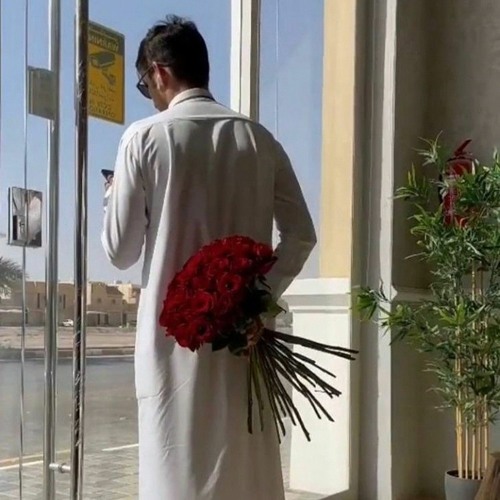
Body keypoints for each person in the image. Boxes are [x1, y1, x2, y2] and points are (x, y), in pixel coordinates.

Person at [102, 15, 316, 500]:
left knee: (176, 465)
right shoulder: (259, 139)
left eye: (144, 85)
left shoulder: (145, 138)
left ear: (159, 73)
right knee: (243, 462)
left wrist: (111, 196)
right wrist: (254, 297)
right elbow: (301, 235)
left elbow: (120, 251)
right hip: (248, 339)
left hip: (171, 344)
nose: (149, 94)